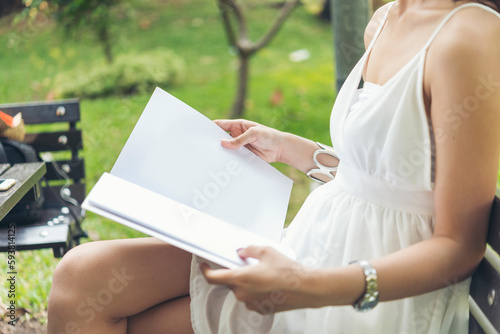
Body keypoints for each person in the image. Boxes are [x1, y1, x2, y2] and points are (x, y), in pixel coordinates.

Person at [47, 0, 500, 333]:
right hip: (310, 248)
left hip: (364, 296)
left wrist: (310, 285)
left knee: (99, 308)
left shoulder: (469, 38)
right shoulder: (386, 17)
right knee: (82, 276)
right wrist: (289, 147)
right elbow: (383, 175)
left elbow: (459, 247)